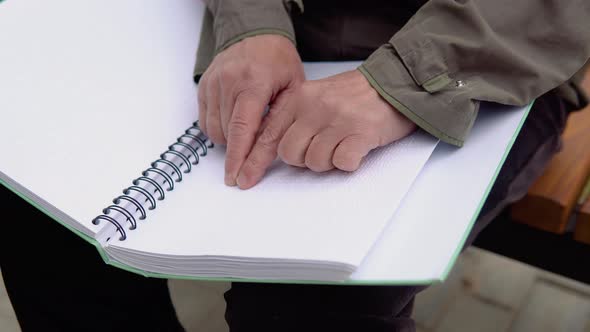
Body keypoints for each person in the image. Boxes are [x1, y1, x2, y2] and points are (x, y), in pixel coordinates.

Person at [1, 0, 588, 331]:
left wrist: (404, 84)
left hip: (488, 63)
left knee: (306, 307)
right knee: (37, 205)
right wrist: (249, 22)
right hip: (251, 26)